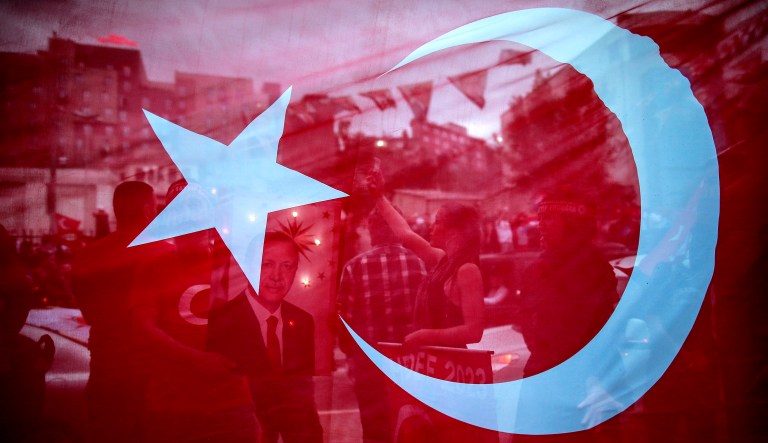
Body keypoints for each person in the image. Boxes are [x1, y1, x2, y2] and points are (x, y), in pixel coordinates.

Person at [129, 180, 259, 443]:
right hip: (174, 408)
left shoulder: (234, 264)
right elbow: (144, 330)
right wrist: (199, 361)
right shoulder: (153, 267)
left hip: (230, 406)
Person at [367, 173, 491, 443]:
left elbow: (474, 330)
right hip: (434, 367)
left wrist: (425, 336)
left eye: (437, 223)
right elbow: (405, 234)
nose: (431, 229)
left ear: (454, 231)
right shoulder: (442, 260)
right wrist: (379, 197)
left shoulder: (467, 270)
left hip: (453, 371)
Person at [208, 231, 323, 443]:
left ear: (296, 271)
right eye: (266, 264)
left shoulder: (303, 322)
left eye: (287, 266)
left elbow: (305, 404)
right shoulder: (222, 322)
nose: (277, 276)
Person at [70, 181, 163, 442]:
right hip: (150, 372)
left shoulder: (87, 256)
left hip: (106, 367)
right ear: (148, 210)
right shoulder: (163, 254)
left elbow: (88, 311)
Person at [338, 208, 427, 443]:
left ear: (373, 230)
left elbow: (344, 323)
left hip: (370, 367)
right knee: (413, 429)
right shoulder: (419, 264)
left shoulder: (354, 267)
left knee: (375, 431)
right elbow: (430, 317)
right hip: (412, 365)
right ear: (398, 229)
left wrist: (352, 354)